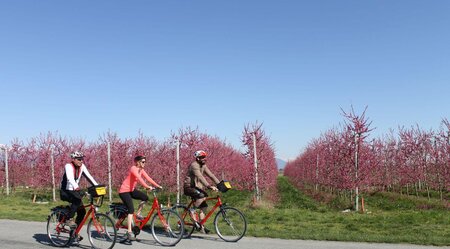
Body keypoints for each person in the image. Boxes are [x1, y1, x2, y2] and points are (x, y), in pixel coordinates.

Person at [118, 155, 162, 241]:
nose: (144, 163)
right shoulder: (133, 168)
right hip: (124, 191)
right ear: (138, 162)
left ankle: (138, 214)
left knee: (145, 197)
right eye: (143, 162)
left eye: (145, 162)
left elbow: (148, 178)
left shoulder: (141, 170)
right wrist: (147, 187)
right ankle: (129, 232)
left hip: (131, 190)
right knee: (131, 209)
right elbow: (140, 179)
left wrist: (158, 185)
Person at [60, 151, 99, 241]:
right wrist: (77, 187)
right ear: (73, 159)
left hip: (74, 190)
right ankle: (69, 219)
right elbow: (70, 178)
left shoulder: (82, 166)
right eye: (79, 159)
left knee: (82, 212)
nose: (81, 161)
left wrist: (97, 186)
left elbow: (89, 177)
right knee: (77, 200)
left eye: (82, 159)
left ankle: (74, 232)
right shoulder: (68, 166)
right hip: (65, 191)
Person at [183, 150, 220, 233]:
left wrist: (219, 184)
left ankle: (201, 226)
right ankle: (192, 210)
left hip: (196, 187)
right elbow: (199, 177)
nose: (204, 159)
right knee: (202, 196)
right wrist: (209, 186)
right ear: (197, 158)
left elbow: (211, 175)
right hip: (189, 187)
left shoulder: (203, 165)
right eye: (202, 157)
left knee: (204, 206)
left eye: (204, 157)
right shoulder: (194, 165)